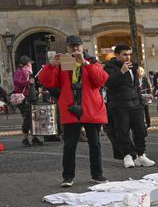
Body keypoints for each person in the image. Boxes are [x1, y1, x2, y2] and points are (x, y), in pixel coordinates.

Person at [38, 34, 109, 186]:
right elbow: (47, 82)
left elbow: (101, 81)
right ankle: (68, 176)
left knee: (95, 143)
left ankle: (97, 174)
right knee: (70, 145)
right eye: (72, 46)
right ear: (67, 48)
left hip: (91, 108)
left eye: (77, 46)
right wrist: (51, 65)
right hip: (71, 108)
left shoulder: (92, 62)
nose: (75, 48)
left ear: (83, 47)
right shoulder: (65, 63)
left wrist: (85, 63)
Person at [103, 44, 153, 169]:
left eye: (129, 54)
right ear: (117, 55)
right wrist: (121, 72)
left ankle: (141, 154)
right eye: (125, 54)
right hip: (119, 105)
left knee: (140, 129)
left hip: (135, 103)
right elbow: (109, 83)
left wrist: (141, 103)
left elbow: (136, 87)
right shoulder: (109, 67)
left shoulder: (133, 67)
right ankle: (128, 155)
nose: (128, 57)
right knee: (122, 131)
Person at [12, 55, 40, 147]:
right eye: (30, 63)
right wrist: (27, 82)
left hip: (31, 98)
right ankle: (25, 139)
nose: (31, 65)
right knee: (27, 119)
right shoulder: (20, 71)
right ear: (26, 63)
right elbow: (16, 82)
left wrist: (34, 90)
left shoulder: (28, 72)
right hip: (25, 99)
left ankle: (35, 138)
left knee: (33, 119)